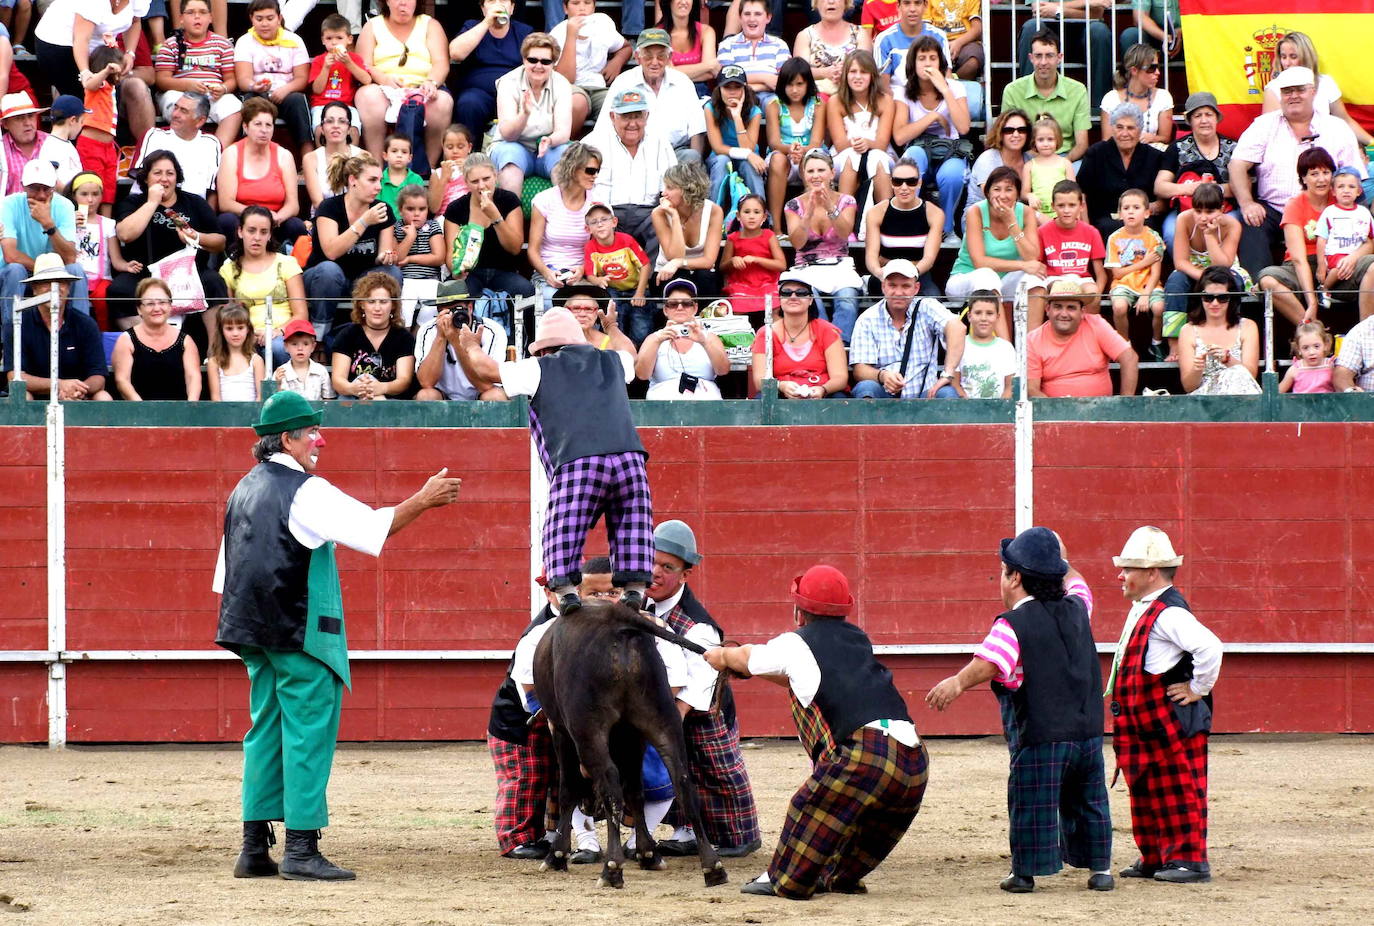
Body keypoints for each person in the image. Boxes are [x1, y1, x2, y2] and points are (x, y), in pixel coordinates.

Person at [213, 389, 462, 881]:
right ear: (287, 438)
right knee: (307, 736)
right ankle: (301, 851)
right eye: (311, 433)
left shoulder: (242, 488)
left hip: (250, 630)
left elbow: (225, 574)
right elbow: (372, 529)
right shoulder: (305, 488)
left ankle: (253, 849)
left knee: (265, 732)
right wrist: (424, 499)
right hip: (301, 631)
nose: (319, 440)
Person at [704, 564, 928, 899]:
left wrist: (721, 655)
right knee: (869, 824)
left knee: (809, 806)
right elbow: (796, 675)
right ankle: (839, 875)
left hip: (866, 754)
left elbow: (749, 657)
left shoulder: (796, 642)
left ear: (799, 611)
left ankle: (782, 880)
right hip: (914, 759)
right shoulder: (858, 640)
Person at [926, 527, 1113, 894]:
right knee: (1090, 799)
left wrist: (958, 683)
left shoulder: (1012, 624)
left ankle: (1025, 873)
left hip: (1042, 734)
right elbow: (1079, 583)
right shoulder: (1078, 608)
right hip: (1088, 732)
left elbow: (991, 662)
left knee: (1032, 800)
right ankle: (1101, 869)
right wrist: (1061, 558)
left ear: (1015, 577)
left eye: (1002, 571)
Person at [456, 300, 653, 613]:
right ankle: (634, 589)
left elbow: (485, 370)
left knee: (564, 522)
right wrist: (612, 327)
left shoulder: (541, 367)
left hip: (578, 459)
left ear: (544, 349)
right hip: (629, 456)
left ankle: (565, 591)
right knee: (632, 519)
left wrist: (468, 344)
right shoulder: (612, 360)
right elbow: (633, 354)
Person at [1107, 526, 1222, 884]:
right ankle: (1155, 856)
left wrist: (1197, 688)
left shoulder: (1169, 613)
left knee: (1177, 788)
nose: (1121, 575)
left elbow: (1211, 647)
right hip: (1148, 721)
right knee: (1146, 788)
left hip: (1171, 720)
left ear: (1152, 572)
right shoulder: (1146, 607)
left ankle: (1189, 862)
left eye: (1129, 569)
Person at [486, 560, 617, 861]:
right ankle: (516, 839)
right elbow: (529, 690)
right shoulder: (538, 634)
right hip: (520, 721)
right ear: (548, 593)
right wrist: (560, 721)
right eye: (559, 590)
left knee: (559, 776)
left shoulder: (588, 625)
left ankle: (553, 834)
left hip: (564, 717)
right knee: (526, 778)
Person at [645, 520, 762, 859]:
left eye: (667, 567)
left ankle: (736, 837)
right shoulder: (639, 602)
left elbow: (698, 686)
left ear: (685, 574)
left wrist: (665, 724)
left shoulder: (698, 627)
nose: (655, 572)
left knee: (713, 771)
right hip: (665, 705)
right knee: (679, 770)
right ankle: (685, 831)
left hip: (703, 709)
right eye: (651, 561)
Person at [1231, 66, 1367, 281]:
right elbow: (1237, 165)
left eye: (1299, 90)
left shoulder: (1336, 127)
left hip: (1328, 209)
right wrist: (1247, 203)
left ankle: (1341, 287)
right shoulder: (1263, 125)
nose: (1293, 96)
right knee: (1250, 221)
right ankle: (1260, 289)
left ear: (1313, 91)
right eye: (1287, 91)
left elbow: (1355, 175)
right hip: (1274, 210)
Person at [111, 150, 228, 354]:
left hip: (189, 272)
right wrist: (152, 202)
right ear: (146, 178)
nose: (164, 179)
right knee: (118, 291)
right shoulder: (134, 203)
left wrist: (196, 236)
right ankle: (146, 348)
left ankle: (214, 353)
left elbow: (220, 241)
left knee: (215, 283)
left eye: (170, 173)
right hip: (145, 273)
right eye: (157, 173)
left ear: (177, 177)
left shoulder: (194, 202)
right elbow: (125, 234)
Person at [306, 152, 400, 339]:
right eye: (372, 180)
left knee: (392, 273)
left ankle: (377, 333)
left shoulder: (383, 209)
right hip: (324, 280)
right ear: (353, 180)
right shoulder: (329, 207)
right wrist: (364, 222)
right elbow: (331, 252)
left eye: (380, 180)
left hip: (361, 281)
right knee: (329, 270)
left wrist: (385, 257)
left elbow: (383, 252)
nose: (378, 187)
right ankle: (318, 336)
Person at [946, 167, 1047, 339]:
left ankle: (1031, 351)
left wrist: (1012, 224)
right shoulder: (976, 212)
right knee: (988, 275)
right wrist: (1022, 265)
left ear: (1017, 193)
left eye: (1009, 189)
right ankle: (1006, 351)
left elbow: (1032, 257)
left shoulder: (1026, 213)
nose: (1003, 195)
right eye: (997, 189)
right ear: (987, 192)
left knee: (1035, 279)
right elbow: (979, 262)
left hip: (1004, 280)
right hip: (967, 278)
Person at [1254, 148, 1347, 327]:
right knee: (1267, 280)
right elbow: (1298, 259)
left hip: (1335, 265)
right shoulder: (1295, 205)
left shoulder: (1341, 199)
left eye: (1326, 172)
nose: (1321, 179)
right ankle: (1312, 331)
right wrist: (1311, 301)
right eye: (1314, 173)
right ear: (1303, 178)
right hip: (1301, 265)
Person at [353, 0, 452, 165]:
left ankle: (427, 169)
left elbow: (441, 62)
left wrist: (431, 82)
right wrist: (383, 79)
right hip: (383, 87)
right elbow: (363, 64)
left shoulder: (430, 25)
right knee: (367, 96)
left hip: (422, 86)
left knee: (442, 101)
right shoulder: (372, 26)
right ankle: (376, 167)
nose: (402, 3)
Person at [586, 88, 677, 268]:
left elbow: (672, 185)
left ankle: (650, 286)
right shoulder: (593, 142)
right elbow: (576, 180)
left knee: (663, 220)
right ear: (612, 116)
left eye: (637, 116)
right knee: (598, 223)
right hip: (608, 210)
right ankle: (611, 289)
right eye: (626, 116)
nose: (633, 123)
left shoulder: (660, 142)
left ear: (647, 116)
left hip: (648, 211)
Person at [442, 152, 530, 336]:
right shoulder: (456, 209)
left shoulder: (509, 201)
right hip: (471, 273)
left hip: (504, 271)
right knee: (452, 293)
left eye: (486, 179)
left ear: (495, 176)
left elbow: (515, 248)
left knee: (526, 291)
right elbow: (450, 257)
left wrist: (496, 217)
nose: (481, 186)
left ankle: (520, 344)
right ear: (466, 182)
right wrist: (457, 269)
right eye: (474, 181)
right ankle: (456, 346)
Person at [850, 259, 965, 398]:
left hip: (925, 395)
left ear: (916, 288)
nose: (898, 292)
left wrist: (948, 373)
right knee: (866, 387)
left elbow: (957, 327)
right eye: (892, 285)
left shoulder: (927, 306)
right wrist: (882, 375)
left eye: (905, 286)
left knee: (947, 393)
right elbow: (859, 370)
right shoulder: (867, 319)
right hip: (885, 396)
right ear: (883, 287)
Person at [3, 254, 110, 399]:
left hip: (78, 396)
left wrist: (76, 390)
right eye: (46, 282)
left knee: (103, 397)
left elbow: (98, 376)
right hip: (37, 395)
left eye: (61, 282)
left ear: (68, 288)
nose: (55, 288)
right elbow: (15, 377)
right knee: (22, 396)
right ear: (34, 289)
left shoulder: (86, 324)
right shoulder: (17, 324)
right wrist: (59, 384)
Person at [892, 36, 967, 243]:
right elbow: (899, 137)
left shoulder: (955, 87)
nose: (927, 63)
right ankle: (911, 221)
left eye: (932, 58)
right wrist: (932, 117)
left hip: (950, 151)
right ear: (913, 64)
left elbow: (963, 127)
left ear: (940, 63)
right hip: (918, 148)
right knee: (913, 157)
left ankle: (947, 228)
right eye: (921, 58)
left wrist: (945, 89)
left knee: (952, 174)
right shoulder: (903, 92)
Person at [783, 149, 862, 342]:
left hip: (840, 265)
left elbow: (844, 233)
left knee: (847, 302)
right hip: (806, 268)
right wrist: (808, 213)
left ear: (831, 173)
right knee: (810, 302)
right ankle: (822, 344)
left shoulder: (846, 201)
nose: (816, 176)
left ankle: (841, 346)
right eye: (810, 171)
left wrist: (829, 207)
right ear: (804, 175)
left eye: (821, 170)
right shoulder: (793, 205)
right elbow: (797, 243)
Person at [0, 160, 90, 326]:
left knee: (76, 270)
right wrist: (45, 271)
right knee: (15, 270)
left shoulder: (65, 205)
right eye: (34, 188)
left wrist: (48, 224)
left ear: (54, 186)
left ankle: (80, 332)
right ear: (23, 186)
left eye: (46, 188)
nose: (41, 195)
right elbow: (11, 256)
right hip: (23, 271)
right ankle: (9, 337)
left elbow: (70, 258)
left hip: (55, 271)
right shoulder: (8, 204)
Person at [1162, 182, 1247, 359]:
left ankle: (1230, 340)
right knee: (1175, 282)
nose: (1202, 217)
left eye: (1209, 212)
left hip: (1224, 272)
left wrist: (1209, 236)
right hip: (1194, 271)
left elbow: (1223, 265)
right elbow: (1180, 262)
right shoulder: (1184, 220)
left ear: (1222, 209)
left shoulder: (1232, 225)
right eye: (1198, 211)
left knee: (1235, 284)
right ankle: (1174, 344)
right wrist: (1205, 279)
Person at [598, 29, 708, 163]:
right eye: (648, 56)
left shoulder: (683, 82)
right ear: (638, 57)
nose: (655, 62)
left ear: (669, 58)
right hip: (635, 154)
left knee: (691, 157)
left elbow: (697, 129)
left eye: (661, 56)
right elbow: (604, 127)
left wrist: (694, 166)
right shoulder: (623, 83)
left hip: (676, 153)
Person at [220, 206, 308, 367]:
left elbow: (301, 313)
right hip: (245, 335)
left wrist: (275, 331)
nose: (257, 237)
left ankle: (285, 392)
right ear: (240, 232)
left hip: (282, 334)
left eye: (263, 232)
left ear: (269, 235)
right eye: (251, 231)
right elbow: (229, 315)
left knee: (276, 348)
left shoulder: (286, 263)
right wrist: (248, 333)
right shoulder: (228, 270)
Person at [216, 97, 308, 246]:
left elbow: (293, 205)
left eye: (268, 125)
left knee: (296, 225)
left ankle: (291, 266)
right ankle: (233, 262)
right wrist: (260, 216)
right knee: (226, 220)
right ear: (245, 127)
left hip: (275, 221)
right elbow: (226, 203)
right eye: (258, 124)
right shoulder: (231, 153)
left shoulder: (284, 155)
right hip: (243, 220)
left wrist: (276, 218)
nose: (264, 130)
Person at [1260, 31, 1374, 151]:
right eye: (1283, 57)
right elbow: (1271, 133)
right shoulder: (1273, 89)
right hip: (1291, 153)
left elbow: (1345, 121)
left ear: (1306, 57)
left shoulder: (1326, 83)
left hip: (1328, 151)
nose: (1287, 63)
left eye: (1293, 57)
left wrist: (1372, 142)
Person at [491, 32, 574, 196]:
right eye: (532, 60)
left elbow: (563, 132)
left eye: (546, 61)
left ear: (553, 63)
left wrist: (550, 140)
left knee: (564, 164)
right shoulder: (508, 83)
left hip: (548, 146)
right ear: (524, 60)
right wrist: (524, 114)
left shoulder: (562, 84)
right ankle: (511, 219)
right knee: (510, 163)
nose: (538, 66)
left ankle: (564, 219)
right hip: (512, 145)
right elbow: (507, 134)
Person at [1027, 276, 1139, 397]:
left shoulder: (1096, 324)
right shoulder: (1033, 339)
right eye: (1058, 306)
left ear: (1082, 312)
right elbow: (1031, 389)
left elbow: (1130, 358)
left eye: (1071, 307)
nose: (1064, 314)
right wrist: (1055, 410)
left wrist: (1125, 403)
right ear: (1048, 309)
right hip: (1056, 413)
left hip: (1100, 411)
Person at [1154, 92, 1237, 250]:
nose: (1204, 120)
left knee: (1233, 227)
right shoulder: (1177, 148)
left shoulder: (1233, 147)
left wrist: (1214, 189)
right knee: (1172, 233)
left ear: (1217, 118)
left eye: (1209, 114)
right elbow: (1160, 187)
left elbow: (1241, 187)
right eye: (1198, 116)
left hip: (1224, 209)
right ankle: (1187, 271)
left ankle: (1223, 272)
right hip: (1188, 209)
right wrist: (1191, 188)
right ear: (1190, 120)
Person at [155, 0, 242, 148]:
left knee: (235, 107)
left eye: (202, 12)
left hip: (212, 95)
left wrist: (223, 88)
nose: (197, 17)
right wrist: (187, 85)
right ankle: (181, 149)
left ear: (210, 18)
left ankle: (216, 153)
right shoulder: (171, 44)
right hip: (180, 93)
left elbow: (231, 80)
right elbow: (161, 80)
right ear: (181, 18)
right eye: (190, 13)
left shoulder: (223, 44)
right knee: (177, 103)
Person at [749, 272, 848, 399]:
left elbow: (840, 377)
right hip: (780, 394)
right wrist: (781, 386)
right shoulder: (765, 333)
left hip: (822, 393)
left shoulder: (827, 331)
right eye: (786, 293)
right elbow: (759, 381)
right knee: (763, 398)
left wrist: (823, 389)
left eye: (801, 293)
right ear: (780, 299)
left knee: (840, 399)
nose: (793, 297)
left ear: (811, 300)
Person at [233, 0, 312, 156]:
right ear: (251, 19)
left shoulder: (294, 40)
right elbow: (243, 80)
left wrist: (286, 89)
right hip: (258, 92)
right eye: (259, 18)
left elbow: (302, 79)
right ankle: (247, 156)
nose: (264, 24)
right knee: (250, 99)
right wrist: (254, 86)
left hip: (286, 93)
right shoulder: (244, 41)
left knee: (298, 100)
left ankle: (307, 157)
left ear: (279, 18)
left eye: (270, 18)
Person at [1076, 102, 1165, 242]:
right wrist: (1086, 229)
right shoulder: (1096, 153)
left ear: (1140, 129)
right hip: (1103, 221)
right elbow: (1081, 193)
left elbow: (1164, 200)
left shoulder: (1155, 157)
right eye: (1119, 127)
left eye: (1131, 128)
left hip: (1143, 222)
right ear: (1112, 128)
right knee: (1108, 227)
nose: (1125, 133)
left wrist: (1152, 207)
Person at [1001, 29, 1090, 163]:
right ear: (1031, 58)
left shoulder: (1077, 90)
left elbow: (1082, 144)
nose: (1043, 62)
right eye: (1038, 56)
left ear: (1059, 58)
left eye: (1049, 55)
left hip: (1066, 158)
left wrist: (1060, 165)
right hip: (1027, 157)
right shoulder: (1013, 91)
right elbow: (1007, 138)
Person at [529, 140, 599, 309]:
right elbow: (532, 250)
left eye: (597, 170)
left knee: (589, 305)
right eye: (590, 170)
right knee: (551, 301)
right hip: (548, 271)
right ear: (573, 169)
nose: (595, 175)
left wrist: (583, 270)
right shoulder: (544, 200)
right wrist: (547, 273)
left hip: (584, 274)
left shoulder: (598, 203)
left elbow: (601, 250)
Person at [449, 0, 534, 139]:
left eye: (503, 0)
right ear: (483, 9)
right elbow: (455, 53)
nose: (497, 4)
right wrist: (486, 22)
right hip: (478, 93)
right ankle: (471, 157)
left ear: (512, 8)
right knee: (468, 103)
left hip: (513, 92)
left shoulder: (524, 31)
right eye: (492, 1)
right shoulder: (472, 26)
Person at [635, 278, 729, 399]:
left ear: (695, 308)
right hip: (663, 406)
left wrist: (704, 342)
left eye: (686, 303)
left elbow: (723, 370)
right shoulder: (654, 338)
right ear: (665, 309)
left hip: (704, 404)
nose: (680, 308)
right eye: (673, 304)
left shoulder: (709, 337)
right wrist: (657, 341)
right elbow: (642, 375)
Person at [414, 279, 507, 401]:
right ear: (438, 312)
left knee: (495, 396)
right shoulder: (428, 330)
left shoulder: (491, 330)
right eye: (447, 311)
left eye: (457, 309)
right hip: (443, 396)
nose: (453, 316)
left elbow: (486, 385)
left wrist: (456, 342)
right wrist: (441, 337)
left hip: (480, 394)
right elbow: (426, 382)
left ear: (470, 308)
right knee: (426, 395)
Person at [330, 271, 417, 400]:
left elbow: (404, 381)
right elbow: (338, 380)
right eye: (371, 301)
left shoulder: (403, 337)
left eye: (383, 302)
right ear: (362, 304)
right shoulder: (348, 335)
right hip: (353, 398)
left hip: (390, 401)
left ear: (393, 305)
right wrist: (353, 388)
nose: (377, 308)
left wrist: (381, 388)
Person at [651, 161, 723, 314]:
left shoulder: (713, 211)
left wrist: (679, 262)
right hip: (667, 274)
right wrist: (675, 217)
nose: (664, 193)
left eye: (670, 188)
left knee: (706, 276)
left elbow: (709, 260)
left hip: (700, 273)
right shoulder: (659, 213)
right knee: (677, 277)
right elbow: (673, 255)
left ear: (687, 190)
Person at [112, 278, 200, 401]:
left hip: (178, 415)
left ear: (170, 306)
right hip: (138, 414)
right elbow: (122, 380)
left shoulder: (186, 341)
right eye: (150, 303)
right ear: (139, 309)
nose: (157, 308)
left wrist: (190, 408)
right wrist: (144, 409)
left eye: (162, 302)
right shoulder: (126, 340)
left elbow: (193, 378)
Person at [764, 57, 826, 231]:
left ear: (808, 84)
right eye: (789, 84)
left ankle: (811, 227)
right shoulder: (774, 105)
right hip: (782, 155)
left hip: (810, 153)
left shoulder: (818, 105)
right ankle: (776, 228)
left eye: (799, 84)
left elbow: (816, 142)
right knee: (777, 160)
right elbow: (774, 142)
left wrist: (802, 152)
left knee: (811, 160)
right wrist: (790, 150)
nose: (794, 90)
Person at [1178, 266, 1260, 395]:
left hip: (1239, 397)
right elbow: (1188, 386)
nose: (1215, 303)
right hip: (1203, 401)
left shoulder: (1248, 326)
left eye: (1222, 298)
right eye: (1209, 298)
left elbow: (1250, 377)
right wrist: (1197, 369)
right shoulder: (1188, 330)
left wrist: (1228, 359)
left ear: (1231, 298)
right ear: (1200, 297)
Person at [827, 50, 895, 206]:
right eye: (853, 72)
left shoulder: (885, 101)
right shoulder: (836, 101)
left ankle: (885, 217)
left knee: (877, 157)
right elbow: (840, 144)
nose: (858, 77)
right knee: (852, 156)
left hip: (879, 152)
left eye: (863, 72)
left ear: (872, 75)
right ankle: (844, 217)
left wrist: (867, 143)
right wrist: (855, 143)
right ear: (845, 75)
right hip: (844, 154)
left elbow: (882, 143)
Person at [549, 0, 632, 126]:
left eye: (587, 3)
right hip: (572, 89)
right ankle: (569, 144)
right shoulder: (557, 34)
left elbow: (626, 47)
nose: (582, 8)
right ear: (565, 9)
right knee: (577, 102)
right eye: (575, 3)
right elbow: (566, 79)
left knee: (616, 107)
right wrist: (571, 36)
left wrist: (617, 62)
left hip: (598, 88)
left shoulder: (602, 25)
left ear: (594, 8)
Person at [131, 91, 223, 203]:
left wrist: (209, 219)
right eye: (176, 108)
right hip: (149, 205)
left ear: (200, 121)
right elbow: (140, 177)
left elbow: (211, 191)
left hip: (192, 211)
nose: (175, 114)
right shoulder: (154, 135)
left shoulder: (211, 144)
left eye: (183, 111)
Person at [1105, 188, 1166, 356]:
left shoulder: (1154, 238)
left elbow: (1155, 273)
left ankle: (1156, 343)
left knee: (1159, 308)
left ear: (1147, 213)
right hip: (1123, 284)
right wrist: (1144, 263)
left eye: (1136, 207)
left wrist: (1146, 294)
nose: (1130, 211)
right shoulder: (1114, 238)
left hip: (1149, 284)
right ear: (1120, 214)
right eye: (1126, 208)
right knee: (1119, 307)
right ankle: (1124, 345)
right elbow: (1116, 274)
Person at [1014, 9, 1111, 110]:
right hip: (1047, 32)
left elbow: (1097, 12)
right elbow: (1038, 10)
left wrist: (1057, 10)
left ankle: (1099, 108)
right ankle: (1028, 103)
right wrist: (1085, 7)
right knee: (1031, 27)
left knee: (1099, 31)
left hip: (1086, 34)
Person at [69, 171, 131, 328]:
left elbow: (116, 260)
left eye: (95, 194)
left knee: (103, 297)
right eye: (84, 194)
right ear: (74, 195)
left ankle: (103, 333)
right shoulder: (66, 219)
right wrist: (69, 224)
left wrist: (126, 266)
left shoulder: (108, 223)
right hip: (74, 277)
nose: (90, 200)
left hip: (101, 279)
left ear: (102, 196)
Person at [0, 92, 85, 197]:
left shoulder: (53, 142)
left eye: (31, 116)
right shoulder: (1, 150)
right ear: (5, 124)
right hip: (12, 211)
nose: (27, 123)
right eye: (19, 118)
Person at [1038, 181, 1107, 310]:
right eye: (1061, 205)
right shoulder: (1042, 231)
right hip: (1054, 279)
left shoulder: (1091, 232)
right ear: (1053, 206)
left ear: (1081, 206)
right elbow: (1038, 266)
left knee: (1092, 291)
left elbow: (1101, 274)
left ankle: (1089, 329)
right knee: (1061, 290)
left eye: (1072, 205)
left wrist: (1097, 295)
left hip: (1082, 279)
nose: (1066, 210)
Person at [704, 65, 767, 201]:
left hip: (748, 158)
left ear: (744, 89)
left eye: (737, 87)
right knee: (722, 161)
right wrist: (747, 154)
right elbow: (717, 147)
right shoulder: (710, 108)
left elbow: (748, 148)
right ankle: (713, 215)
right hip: (720, 157)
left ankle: (761, 216)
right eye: (727, 87)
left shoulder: (754, 111)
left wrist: (737, 117)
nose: (732, 92)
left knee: (750, 165)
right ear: (719, 88)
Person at [308, 13, 370, 144]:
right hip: (322, 104)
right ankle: (323, 160)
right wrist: (325, 68)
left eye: (339, 38)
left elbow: (366, 80)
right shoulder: (319, 60)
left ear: (349, 39)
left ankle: (351, 161)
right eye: (329, 38)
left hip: (346, 104)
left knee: (352, 130)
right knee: (320, 130)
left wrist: (348, 63)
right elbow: (317, 90)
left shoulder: (354, 59)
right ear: (323, 40)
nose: (334, 42)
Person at [714, 0, 790, 106]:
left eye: (758, 14)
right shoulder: (727, 45)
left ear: (768, 17)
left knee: (774, 104)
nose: (752, 19)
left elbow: (783, 82)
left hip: (770, 97)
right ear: (740, 17)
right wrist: (765, 78)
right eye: (747, 14)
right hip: (736, 96)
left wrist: (746, 84)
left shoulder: (780, 45)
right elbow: (727, 78)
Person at [721, 193, 784, 318]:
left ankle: (774, 336)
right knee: (738, 312)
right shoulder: (733, 238)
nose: (751, 216)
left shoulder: (769, 235)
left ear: (764, 217)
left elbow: (781, 265)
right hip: (741, 284)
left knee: (773, 312)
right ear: (738, 216)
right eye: (747, 212)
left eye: (756, 212)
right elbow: (722, 267)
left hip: (767, 283)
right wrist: (732, 261)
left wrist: (756, 259)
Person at [583, 201, 650, 317]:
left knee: (641, 325)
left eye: (604, 220)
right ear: (588, 229)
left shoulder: (627, 241)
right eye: (594, 222)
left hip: (636, 287)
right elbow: (590, 275)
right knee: (615, 317)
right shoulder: (590, 247)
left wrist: (640, 292)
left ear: (614, 222)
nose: (599, 224)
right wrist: (598, 281)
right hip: (613, 290)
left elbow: (645, 265)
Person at [1098, 43, 1173, 149]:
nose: (1157, 72)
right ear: (1134, 70)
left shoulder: (1163, 97)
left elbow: (1165, 138)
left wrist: (1152, 138)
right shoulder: (1111, 99)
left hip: (1152, 153)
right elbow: (1107, 141)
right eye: (1152, 68)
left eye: (1158, 67)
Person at [875, 0, 950, 101]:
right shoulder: (884, 39)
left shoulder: (939, 36)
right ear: (898, 6)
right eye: (906, 3)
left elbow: (947, 77)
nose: (912, 9)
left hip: (932, 100)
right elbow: (883, 87)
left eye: (917, 3)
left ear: (925, 6)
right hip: (897, 100)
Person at [793, 0, 868, 98]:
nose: (831, 1)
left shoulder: (861, 34)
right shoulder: (805, 35)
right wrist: (825, 72)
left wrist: (845, 71)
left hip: (852, 96)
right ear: (816, 4)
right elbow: (799, 72)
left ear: (845, 3)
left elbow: (866, 67)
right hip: (815, 98)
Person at [968, 108, 1031, 219]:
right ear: (1000, 133)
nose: (1016, 134)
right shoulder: (988, 159)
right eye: (1009, 130)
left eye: (1021, 130)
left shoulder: (1030, 160)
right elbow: (995, 201)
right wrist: (1035, 216)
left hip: (1018, 216)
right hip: (981, 216)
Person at [303, 101, 365, 211]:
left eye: (342, 121)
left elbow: (365, 198)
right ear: (322, 128)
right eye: (330, 121)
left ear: (349, 129)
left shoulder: (363, 156)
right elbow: (318, 203)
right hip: (323, 218)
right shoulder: (310, 159)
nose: (336, 126)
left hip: (357, 218)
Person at [958, 290, 1016, 398]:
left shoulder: (1006, 348)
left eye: (989, 313)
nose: (983, 318)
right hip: (966, 409)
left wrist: (1000, 410)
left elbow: (1010, 387)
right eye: (978, 313)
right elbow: (955, 383)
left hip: (998, 409)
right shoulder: (959, 345)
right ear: (969, 316)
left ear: (997, 317)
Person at [656, 0, 718, 98]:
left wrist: (675, 71)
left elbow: (711, 73)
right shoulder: (657, 34)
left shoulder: (706, 31)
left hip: (700, 91)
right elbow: (665, 74)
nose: (684, 2)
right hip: (668, 91)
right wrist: (707, 66)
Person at [207, 301, 263, 401]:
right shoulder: (214, 362)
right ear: (221, 331)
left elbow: (260, 397)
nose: (235, 333)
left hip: (252, 415)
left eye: (240, 328)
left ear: (248, 329)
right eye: (229, 328)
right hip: (224, 415)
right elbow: (216, 399)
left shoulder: (256, 361)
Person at [1024, 115, 1074, 220]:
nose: (1046, 144)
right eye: (1041, 140)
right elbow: (1024, 192)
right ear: (1034, 142)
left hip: (1062, 214)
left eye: (1050, 139)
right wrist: (1030, 196)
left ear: (1057, 140)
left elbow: (1073, 191)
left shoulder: (1065, 163)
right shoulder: (1029, 166)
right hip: (1038, 215)